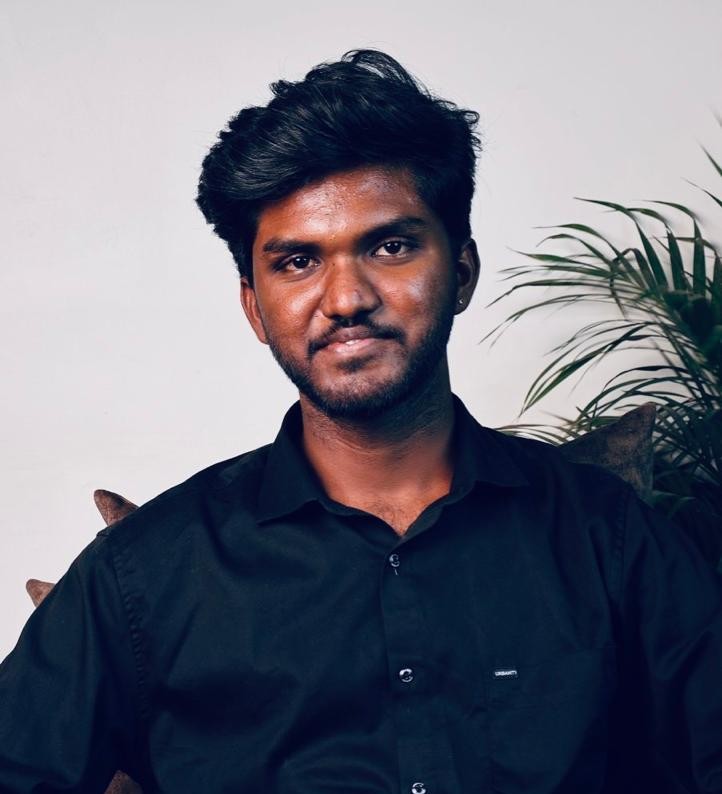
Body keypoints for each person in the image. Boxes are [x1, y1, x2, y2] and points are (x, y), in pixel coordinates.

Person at [1, 49, 721, 794]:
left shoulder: (611, 540)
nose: (346, 299)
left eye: (390, 246)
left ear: (462, 273)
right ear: (254, 307)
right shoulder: (143, 574)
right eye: (298, 262)